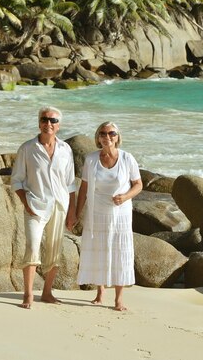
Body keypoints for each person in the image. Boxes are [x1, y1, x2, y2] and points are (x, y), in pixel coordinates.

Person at [11, 106, 77, 309]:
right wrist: (26, 203)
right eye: (45, 120)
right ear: (39, 123)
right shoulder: (27, 148)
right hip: (35, 205)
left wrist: (72, 211)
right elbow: (16, 181)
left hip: (59, 205)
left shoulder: (66, 149)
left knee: (54, 251)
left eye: (53, 121)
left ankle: (47, 292)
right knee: (32, 246)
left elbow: (71, 183)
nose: (49, 124)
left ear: (59, 125)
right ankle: (28, 294)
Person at [72, 122, 142, 311]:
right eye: (103, 133)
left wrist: (126, 196)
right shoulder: (91, 159)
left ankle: (119, 299)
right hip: (97, 211)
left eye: (111, 133)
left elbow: (138, 184)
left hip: (121, 213)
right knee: (98, 250)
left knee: (120, 251)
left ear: (118, 137)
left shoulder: (127, 158)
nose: (107, 136)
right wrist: (77, 213)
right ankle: (100, 292)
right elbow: (84, 187)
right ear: (98, 137)